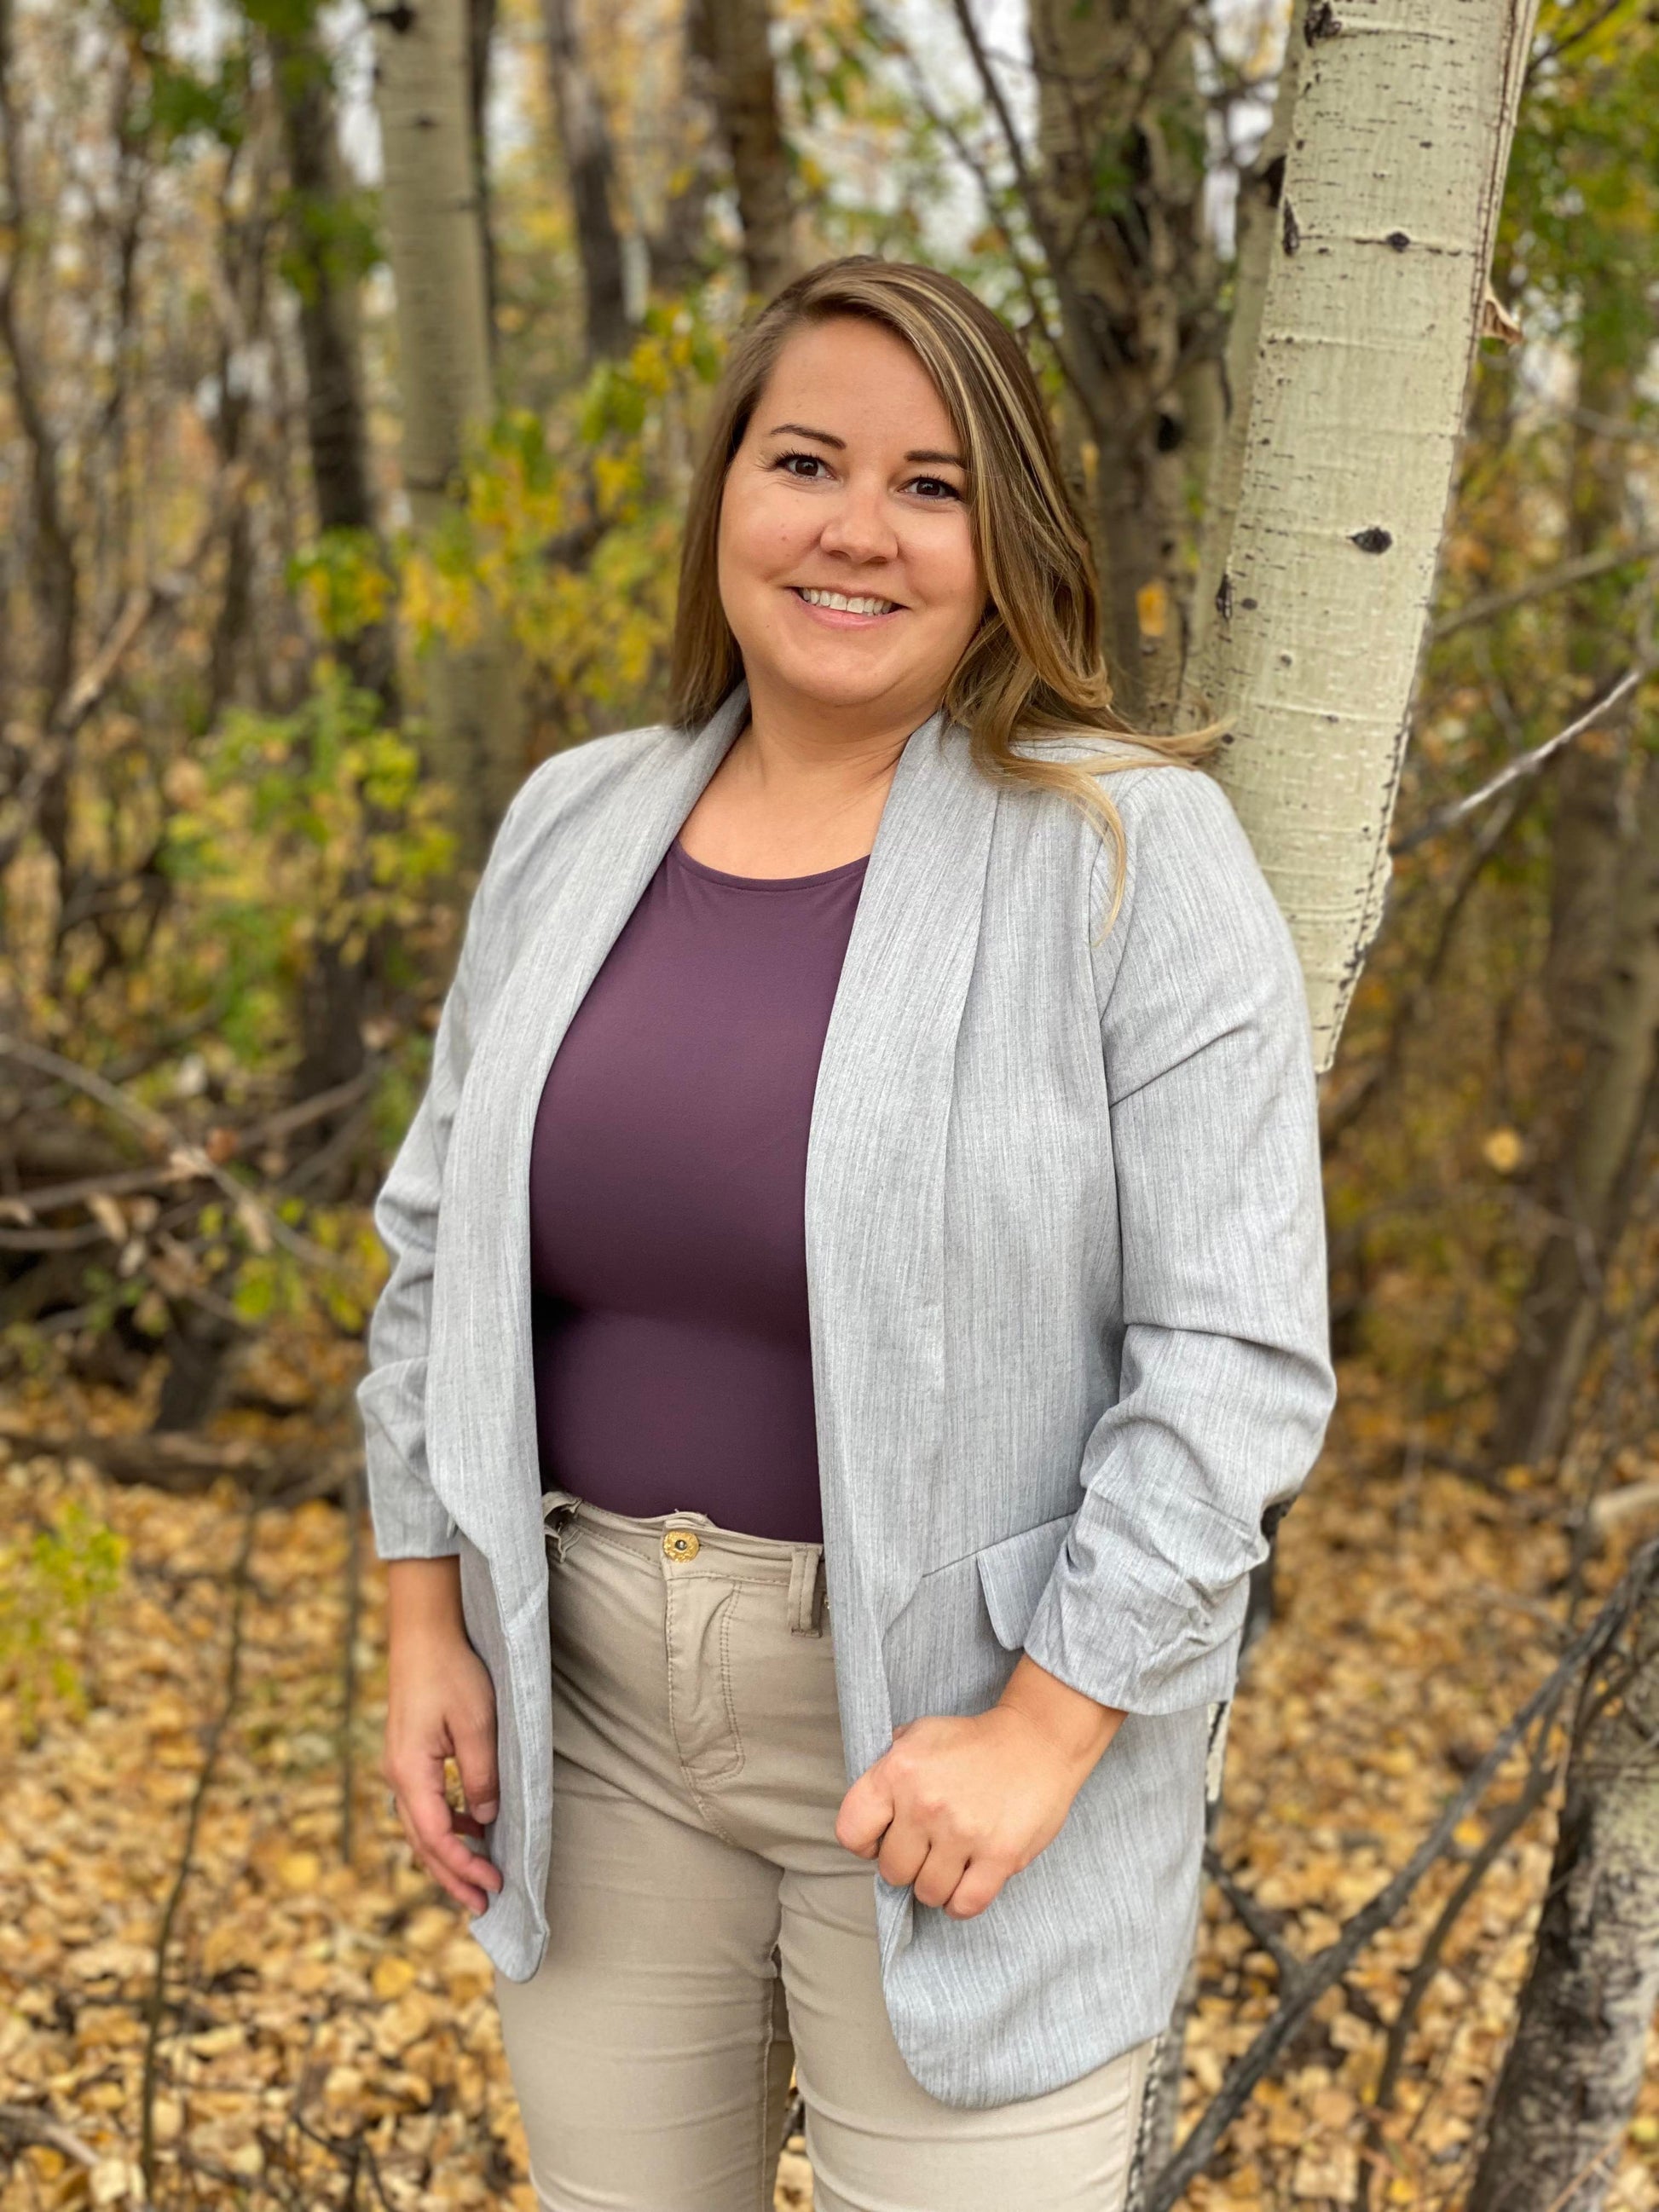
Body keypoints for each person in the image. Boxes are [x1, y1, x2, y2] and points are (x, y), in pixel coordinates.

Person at [361, 256, 1336, 2212]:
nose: (854, 530)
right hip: (596, 1708)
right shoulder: (576, 818)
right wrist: (420, 1616)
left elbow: (1231, 1359)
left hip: (957, 1729)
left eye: (931, 484)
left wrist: (1048, 1731)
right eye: (805, 459)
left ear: (1007, 542)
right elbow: (430, 1246)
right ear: (725, 489)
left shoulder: (1127, 852)